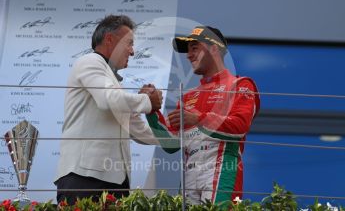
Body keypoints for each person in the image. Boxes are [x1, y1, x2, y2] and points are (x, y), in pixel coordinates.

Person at [146, 26, 260, 206]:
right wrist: (151, 110)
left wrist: (199, 119)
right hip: (189, 172)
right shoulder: (187, 96)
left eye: (194, 48)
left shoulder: (240, 85)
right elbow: (170, 143)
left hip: (223, 168)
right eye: (188, 50)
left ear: (214, 48)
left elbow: (240, 126)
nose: (189, 55)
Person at [54, 15, 162, 204]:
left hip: (115, 183)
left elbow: (141, 132)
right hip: (84, 179)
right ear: (110, 40)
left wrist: (185, 136)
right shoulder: (90, 61)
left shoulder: (112, 83)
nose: (133, 51)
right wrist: (147, 100)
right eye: (129, 43)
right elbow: (107, 99)